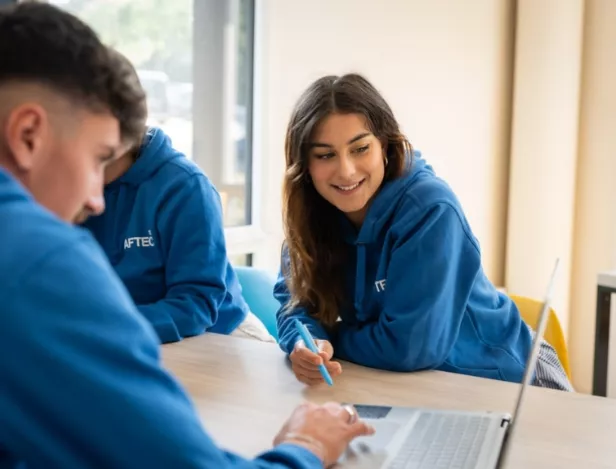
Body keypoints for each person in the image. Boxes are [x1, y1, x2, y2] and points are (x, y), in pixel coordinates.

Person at [0, 4, 373, 468]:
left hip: (217, 340)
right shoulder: (40, 259)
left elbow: (203, 301)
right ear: (28, 134)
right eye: (95, 158)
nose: (96, 199)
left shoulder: (181, 187)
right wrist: (308, 449)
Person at [274, 73, 573, 392]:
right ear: (304, 165)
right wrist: (308, 342)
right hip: (412, 385)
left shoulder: (430, 208)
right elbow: (295, 303)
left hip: (512, 377)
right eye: (325, 155)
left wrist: (333, 337)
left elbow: (410, 349)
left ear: (385, 146)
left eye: (360, 148)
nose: (346, 170)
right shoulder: (310, 215)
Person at [80, 126, 274, 344]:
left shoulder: (186, 184)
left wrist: (106, 326)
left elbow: (196, 304)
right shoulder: (65, 183)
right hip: (127, 334)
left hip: (218, 332)